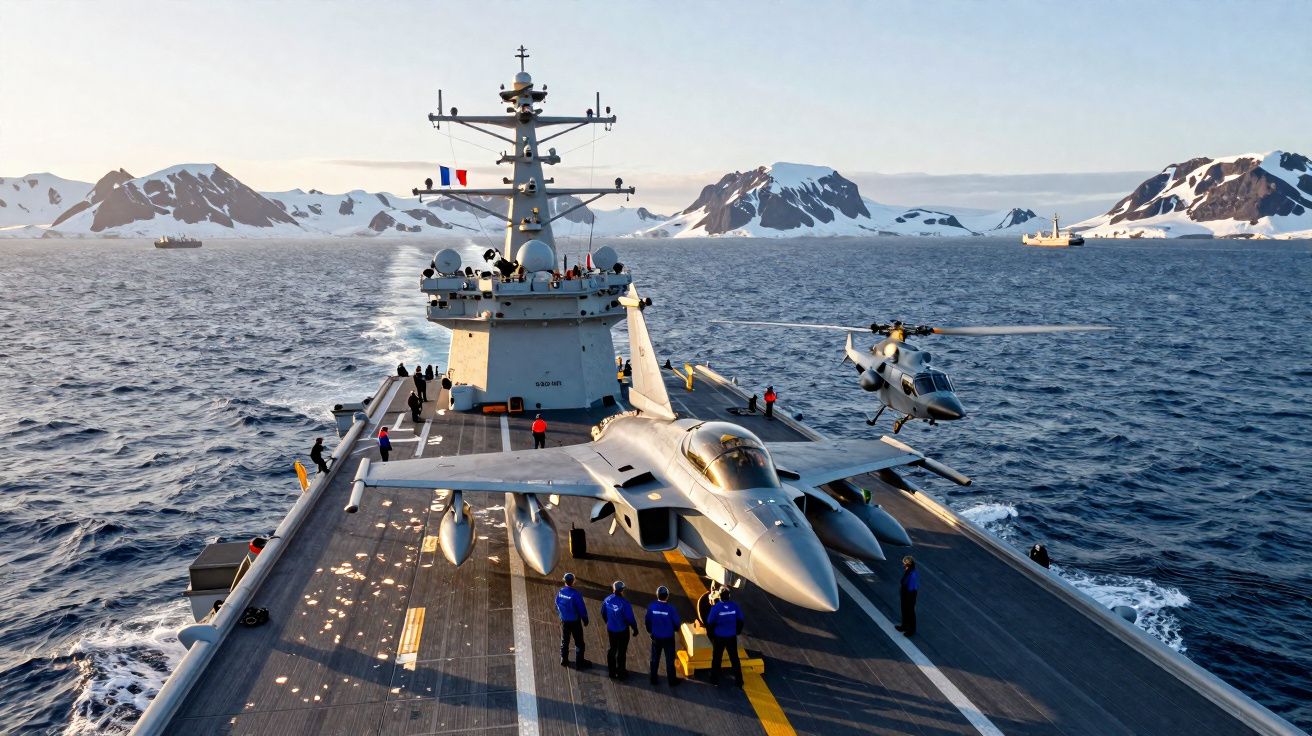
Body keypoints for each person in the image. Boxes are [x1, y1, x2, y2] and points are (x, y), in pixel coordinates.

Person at [706, 588, 744, 687]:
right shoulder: (734, 606)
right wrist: (737, 631)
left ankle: (714, 680)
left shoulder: (716, 608)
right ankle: (739, 681)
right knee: (734, 658)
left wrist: (711, 636)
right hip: (731, 637)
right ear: (729, 595)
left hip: (719, 637)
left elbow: (710, 623)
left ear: (720, 596)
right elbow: (741, 619)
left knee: (717, 658)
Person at [645, 585, 682, 686]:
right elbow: (677, 623)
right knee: (670, 659)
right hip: (668, 638)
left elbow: (647, 621)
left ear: (657, 595)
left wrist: (650, 631)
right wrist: (674, 629)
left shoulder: (651, 607)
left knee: (654, 658)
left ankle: (653, 679)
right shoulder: (671, 609)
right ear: (667, 596)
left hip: (656, 637)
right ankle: (672, 681)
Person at [601, 580, 638, 679]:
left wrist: (608, 622)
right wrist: (635, 628)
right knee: (621, 651)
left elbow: (603, 613)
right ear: (622, 591)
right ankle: (621, 672)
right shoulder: (625, 603)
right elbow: (630, 618)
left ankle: (611, 672)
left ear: (613, 589)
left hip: (611, 629)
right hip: (622, 631)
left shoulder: (607, 600)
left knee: (612, 649)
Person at [555, 573, 590, 669]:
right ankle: (580, 662)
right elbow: (581, 609)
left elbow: (556, 604)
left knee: (565, 640)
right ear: (573, 581)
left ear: (564, 581)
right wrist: (585, 619)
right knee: (579, 642)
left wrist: (561, 615)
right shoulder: (576, 594)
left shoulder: (561, 592)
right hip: (575, 622)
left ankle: (564, 659)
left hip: (565, 621)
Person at [896, 555, 918, 636]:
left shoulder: (912, 574)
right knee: (905, 611)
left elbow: (911, 588)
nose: (903, 565)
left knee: (910, 612)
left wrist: (907, 597)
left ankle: (911, 630)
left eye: (904, 563)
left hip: (909, 596)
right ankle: (904, 626)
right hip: (906, 595)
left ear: (908, 564)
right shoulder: (909, 570)